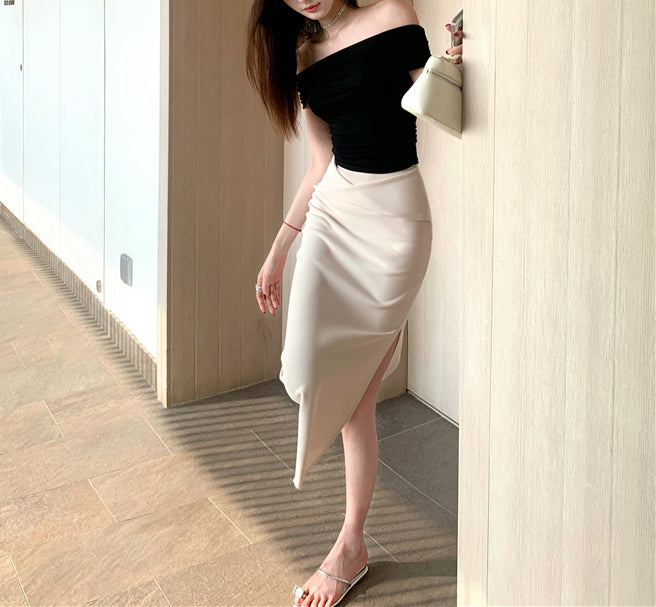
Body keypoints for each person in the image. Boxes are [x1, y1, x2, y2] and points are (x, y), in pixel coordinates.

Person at [246, 1, 463, 605]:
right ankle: (351, 542)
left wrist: (451, 70)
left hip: (395, 223)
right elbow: (320, 164)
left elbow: (443, 113)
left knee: (353, 402)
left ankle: (350, 545)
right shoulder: (305, 56)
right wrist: (278, 252)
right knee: (307, 372)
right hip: (333, 215)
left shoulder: (393, 12)